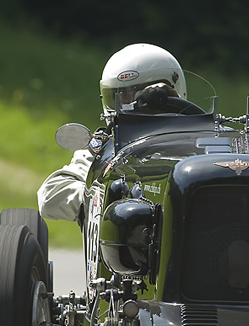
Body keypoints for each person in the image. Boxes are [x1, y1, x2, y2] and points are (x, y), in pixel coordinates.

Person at [37, 43, 187, 223]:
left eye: (143, 97)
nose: (130, 105)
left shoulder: (201, 142)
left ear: (171, 93)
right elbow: (49, 195)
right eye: (120, 97)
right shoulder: (104, 150)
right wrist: (102, 195)